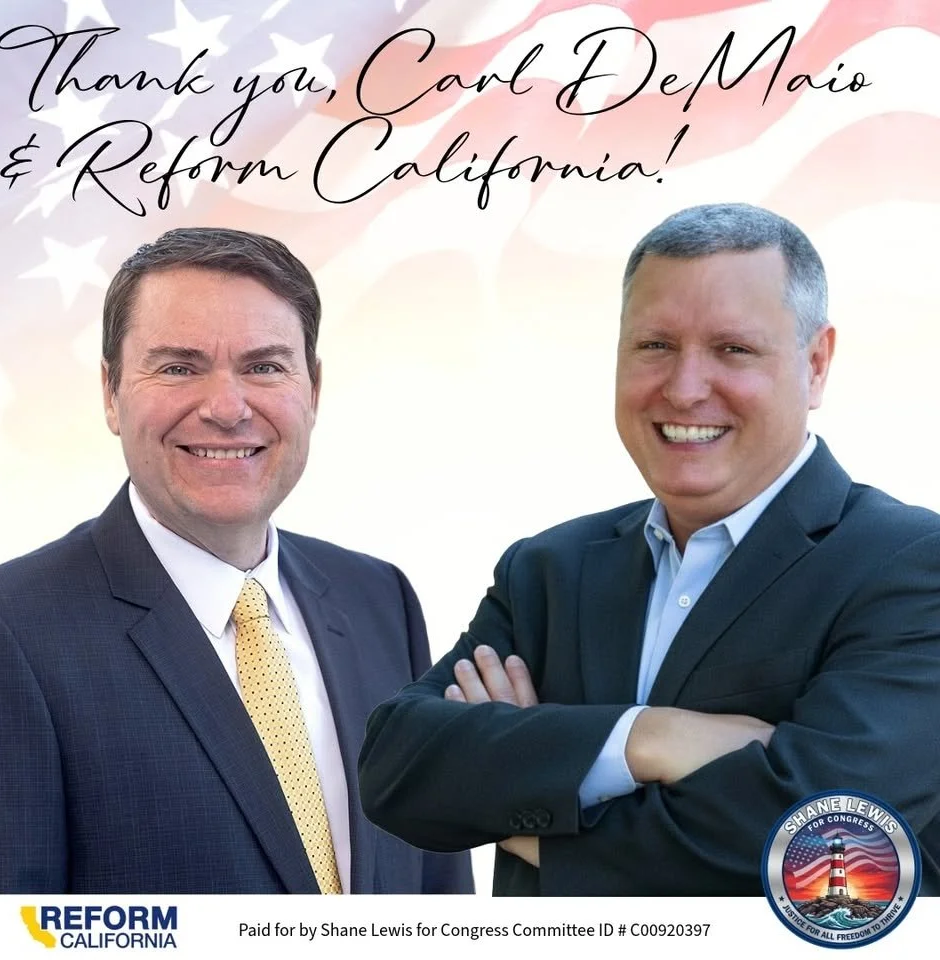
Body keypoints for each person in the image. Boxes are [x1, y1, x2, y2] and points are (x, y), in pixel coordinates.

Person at [358, 202, 940, 896]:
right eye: (655, 345)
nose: (686, 388)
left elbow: (821, 837)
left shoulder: (908, 566)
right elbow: (398, 769)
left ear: (815, 365)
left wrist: (526, 786)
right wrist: (653, 739)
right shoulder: (549, 571)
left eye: (734, 349)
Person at [0, 227, 473, 895]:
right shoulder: (7, 631)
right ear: (109, 393)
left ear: (313, 388)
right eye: (179, 367)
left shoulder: (380, 600)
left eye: (265, 366)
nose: (226, 408)